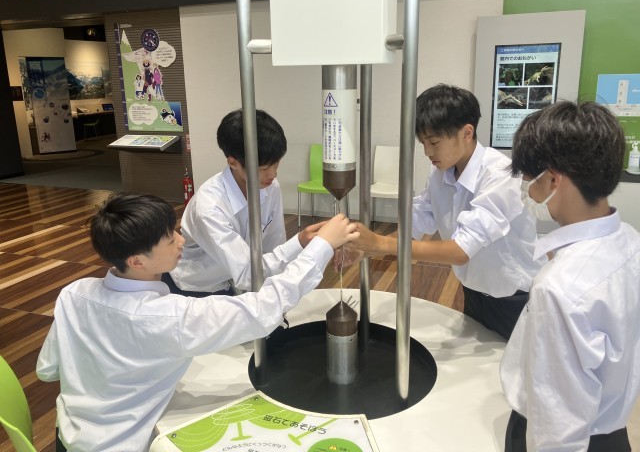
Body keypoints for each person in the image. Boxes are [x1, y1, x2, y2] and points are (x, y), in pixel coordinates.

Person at [36, 193, 358, 451]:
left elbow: (47, 370)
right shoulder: (168, 318)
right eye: (169, 239)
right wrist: (322, 247)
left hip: (66, 438)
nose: (181, 241)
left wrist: (298, 243)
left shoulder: (73, 294)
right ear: (137, 261)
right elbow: (262, 309)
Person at [344, 84, 545, 339]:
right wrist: (367, 249)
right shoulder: (441, 172)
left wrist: (379, 243)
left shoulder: (500, 176)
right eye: (423, 143)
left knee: (511, 362)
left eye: (434, 142)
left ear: (466, 133)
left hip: (516, 300)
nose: (427, 152)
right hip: (474, 290)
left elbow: (460, 251)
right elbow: (417, 223)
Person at [500, 101, 640, 451]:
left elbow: (557, 426)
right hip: (612, 430)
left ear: (552, 180)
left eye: (528, 180)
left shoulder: (558, 288)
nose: (526, 190)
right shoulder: (631, 240)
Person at [167, 109, 322, 297]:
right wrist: (300, 242)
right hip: (200, 287)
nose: (273, 174)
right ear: (233, 163)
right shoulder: (209, 207)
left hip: (239, 280)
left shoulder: (270, 187)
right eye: (263, 168)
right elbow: (248, 272)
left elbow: (273, 245)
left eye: (276, 164)